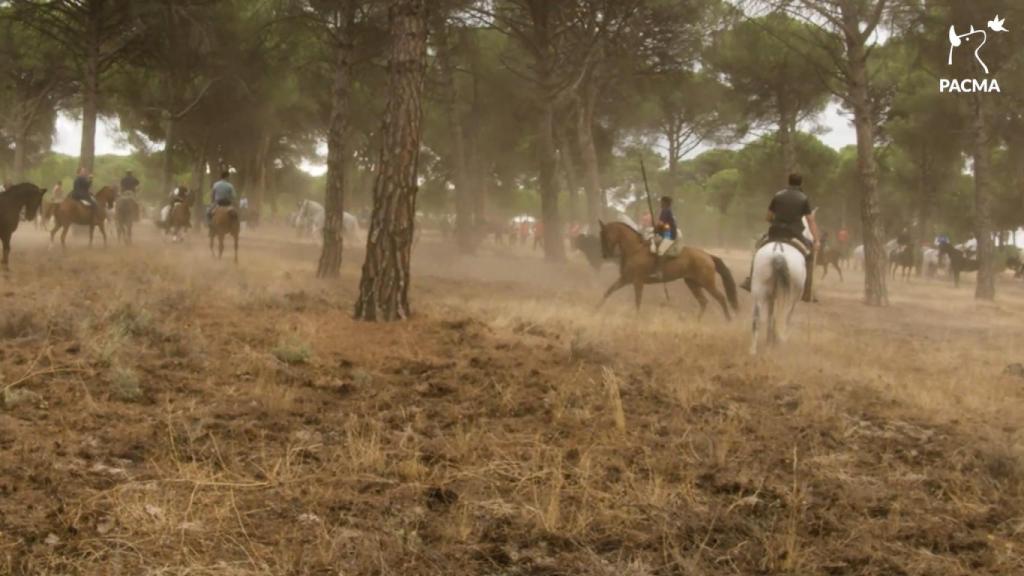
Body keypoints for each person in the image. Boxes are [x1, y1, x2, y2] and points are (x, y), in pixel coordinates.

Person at [739, 173, 820, 301]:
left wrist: (777, 220)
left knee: (759, 248)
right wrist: (816, 240)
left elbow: (768, 217)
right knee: (809, 256)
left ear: (788, 182)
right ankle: (807, 291)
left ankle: (750, 280)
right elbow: (810, 221)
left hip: (775, 231)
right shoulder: (803, 198)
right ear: (801, 183)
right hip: (795, 234)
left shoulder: (778, 195)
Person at [650, 196, 678, 279]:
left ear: (665, 203)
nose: (660, 203)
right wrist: (657, 229)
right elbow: (664, 225)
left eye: (661, 202)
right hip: (665, 233)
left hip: (669, 235)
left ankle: (659, 271)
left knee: (660, 251)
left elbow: (662, 224)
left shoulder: (666, 211)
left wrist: (656, 228)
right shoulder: (665, 211)